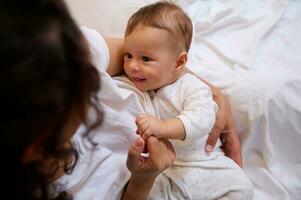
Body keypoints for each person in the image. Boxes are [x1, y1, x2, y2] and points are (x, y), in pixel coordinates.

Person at [0, 0, 243, 199]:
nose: (131, 67)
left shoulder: (54, 46)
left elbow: (149, 52)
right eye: (84, 83)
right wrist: (142, 181)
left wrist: (208, 93)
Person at [116, 2, 253, 199]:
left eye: (145, 59)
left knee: (241, 187)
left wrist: (164, 126)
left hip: (204, 165)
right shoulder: (137, 87)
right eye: (128, 55)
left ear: (179, 62)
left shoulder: (191, 86)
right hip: (164, 173)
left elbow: (203, 118)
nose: (132, 66)